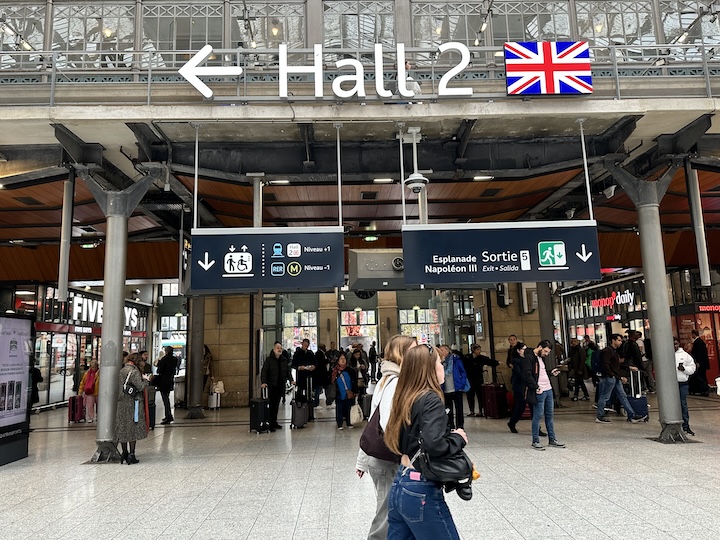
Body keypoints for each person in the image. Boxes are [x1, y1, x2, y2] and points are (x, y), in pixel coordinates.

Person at [384, 344, 467, 539]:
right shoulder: (430, 399)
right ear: (429, 368)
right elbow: (434, 444)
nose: (442, 367)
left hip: (401, 481)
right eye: (439, 362)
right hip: (420, 487)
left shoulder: (404, 396)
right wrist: (458, 438)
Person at [356, 334, 417, 540]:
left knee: (392, 512)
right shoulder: (396, 382)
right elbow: (386, 424)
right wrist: (405, 454)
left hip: (382, 459)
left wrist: (362, 460)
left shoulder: (389, 378)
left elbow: (373, 420)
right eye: (413, 350)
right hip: (387, 460)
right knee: (386, 515)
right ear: (402, 354)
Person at [522, 340, 565, 450]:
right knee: (538, 416)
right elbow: (527, 375)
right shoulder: (529, 357)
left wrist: (551, 373)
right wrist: (536, 387)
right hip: (539, 390)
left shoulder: (540, 357)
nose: (546, 354)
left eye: (548, 352)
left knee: (549, 415)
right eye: (545, 351)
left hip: (548, 389)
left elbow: (540, 373)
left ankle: (552, 439)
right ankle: (535, 440)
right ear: (540, 347)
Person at [595, 334, 647, 424]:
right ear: (613, 340)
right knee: (605, 396)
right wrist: (612, 375)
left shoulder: (613, 351)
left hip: (614, 378)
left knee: (622, 396)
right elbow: (606, 365)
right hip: (610, 378)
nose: (621, 342)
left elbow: (615, 365)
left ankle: (631, 415)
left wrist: (627, 369)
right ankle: (600, 416)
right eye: (619, 340)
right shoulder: (607, 351)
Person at [116, 352, 150, 464]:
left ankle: (124, 453)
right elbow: (140, 387)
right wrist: (146, 380)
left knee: (123, 428)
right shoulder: (134, 372)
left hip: (121, 403)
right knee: (132, 429)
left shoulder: (122, 370)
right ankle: (132, 454)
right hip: (133, 403)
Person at [261, 341, 295, 432]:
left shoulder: (284, 360)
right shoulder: (269, 360)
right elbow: (264, 371)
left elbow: (287, 372)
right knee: (272, 405)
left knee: (276, 405)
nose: (279, 349)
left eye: (280, 348)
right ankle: (271, 423)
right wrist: (264, 382)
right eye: (277, 348)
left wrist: (291, 380)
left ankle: (274, 422)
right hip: (272, 385)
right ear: (274, 349)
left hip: (280, 384)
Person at [463, 343, 498, 417]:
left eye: (479, 350)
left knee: (480, 395)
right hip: (470, 379)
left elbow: (489, 361)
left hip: (478, 378)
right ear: (473, 350)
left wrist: (497, 363)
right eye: (477, 350)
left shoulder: (481, 358)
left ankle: (480, 411)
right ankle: (471, 410)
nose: (479, 351)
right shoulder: (467, 358)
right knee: (470, 395)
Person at [674, 337, 696, 436]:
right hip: (670, 384)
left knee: (683, 404)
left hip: (682, 383)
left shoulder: (685, 356)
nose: (674, 346)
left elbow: (692, 368)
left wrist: (684, 369)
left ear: (678, 344)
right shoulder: (665, 354)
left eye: (676, 344)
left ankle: (685, 426)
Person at [332, 353, 358, 430]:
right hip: (339, 393)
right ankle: (339, 423)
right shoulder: (335, 371)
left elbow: (354, 381)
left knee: (349, 408)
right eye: (341, 359)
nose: (343, 360)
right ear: (338, 361)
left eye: (344, 359)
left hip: (349, 392)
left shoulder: (350, 370)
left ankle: (349, 422)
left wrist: (355, 391)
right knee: (339, 408)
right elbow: (331, 382)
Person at [507, 341, 528, 433]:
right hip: (519, 385)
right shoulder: (516, 361)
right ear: (518, 351)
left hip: (527, 385)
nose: (525, 351)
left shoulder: (528, 359)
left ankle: (537, 427)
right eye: (523, 349)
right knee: (521, 406)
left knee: (532, 406)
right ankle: (512, 422)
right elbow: (519, 373)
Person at [156, 346, 178, 424]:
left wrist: (159, 364)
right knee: (167, 398)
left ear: (166, 351)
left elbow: (159, 370)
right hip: (170, 380)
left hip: (163, 381)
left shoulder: (164, 359)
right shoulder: (175, 359)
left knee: (165, 399)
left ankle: (168, 416)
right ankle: (168, 415)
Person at [292, 338, 316, 403]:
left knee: (308, 390)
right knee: (300, 390)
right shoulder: (297, 353)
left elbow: (315, 362)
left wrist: (313, 366)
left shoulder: (310, 353)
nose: (306, 347)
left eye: (307, 346)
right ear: (302, 344)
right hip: (300, 376)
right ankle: (300, 401)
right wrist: (299, 367)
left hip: (309, 376)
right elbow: (293, 364)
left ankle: (308, 401)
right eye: (305, 345)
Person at [689, 329, 710, 396]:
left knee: (700, 377)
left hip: (700, 364)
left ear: (694, 334)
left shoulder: (698, 342)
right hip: (701, 363)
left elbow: (699, 354)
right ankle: (703, 390)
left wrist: (698, 362)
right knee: (701, 376)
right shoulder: (700, 342)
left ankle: (705, 389)